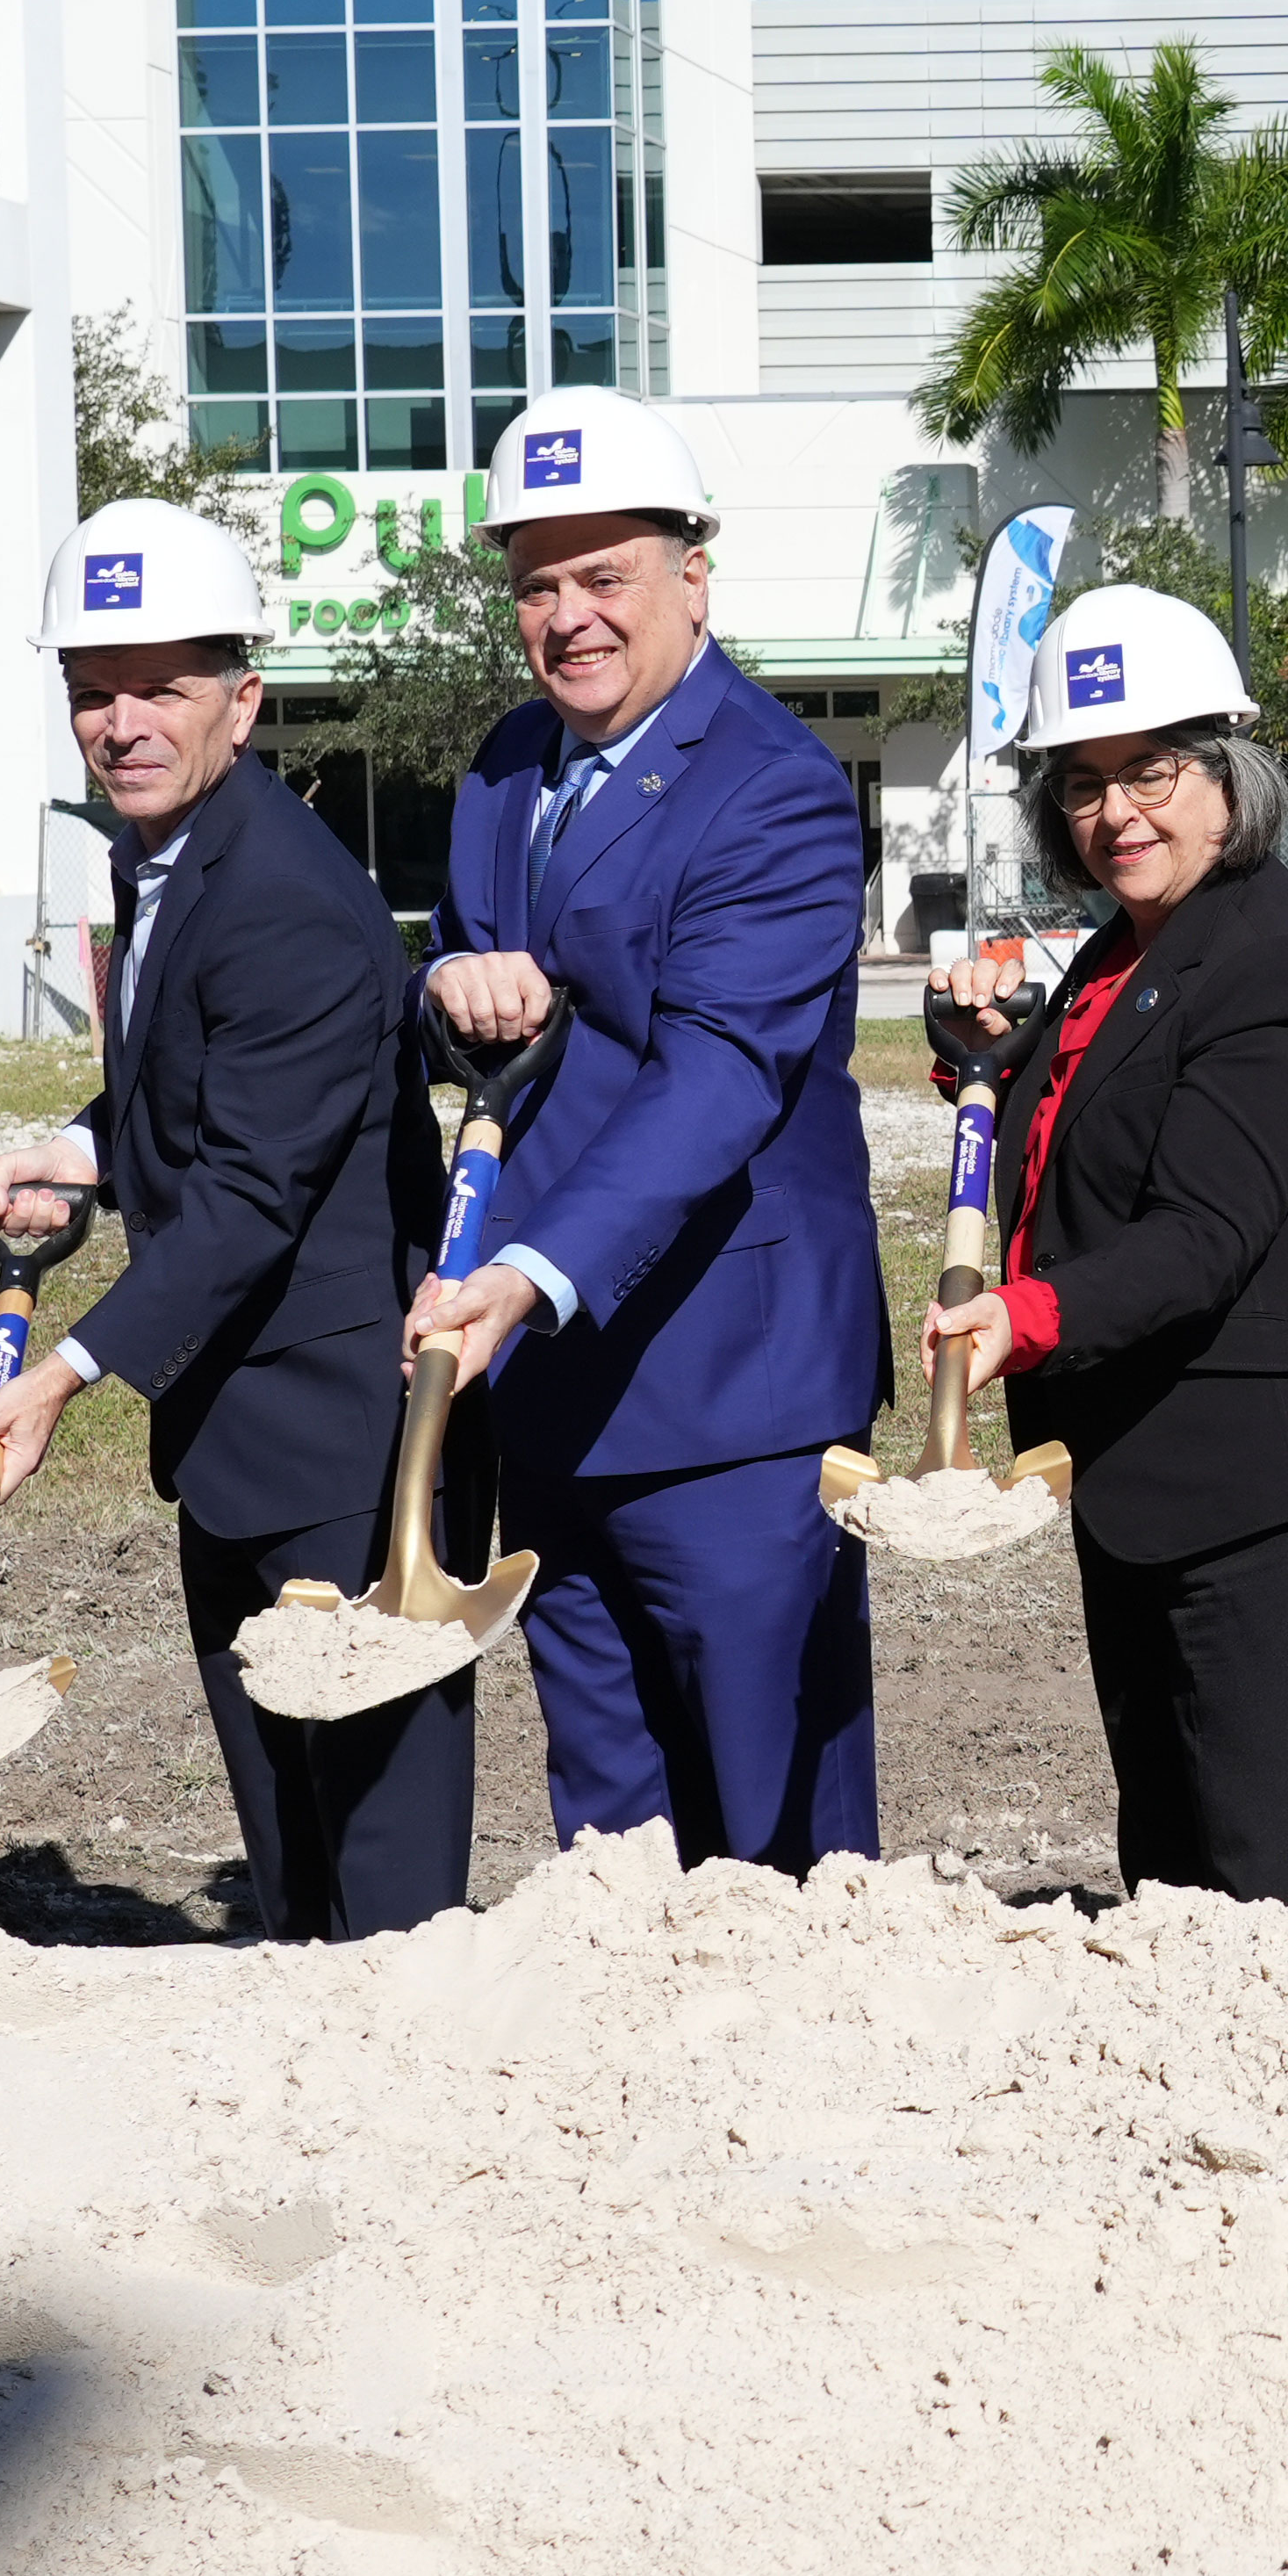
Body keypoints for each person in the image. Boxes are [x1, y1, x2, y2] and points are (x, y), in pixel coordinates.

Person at [0, 503, 466, 1941]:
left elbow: (251, 1195)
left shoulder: (285, 898)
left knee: (381, 1867)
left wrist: (63, 1373)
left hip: (337, 1444)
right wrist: (77, 1146)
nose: (121, 722)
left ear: (242, 702)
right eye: (92, 691)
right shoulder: (174, 858)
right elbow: (194, 1098)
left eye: (161, 687)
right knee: (290, 1851)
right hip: (245, 1432)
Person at [395, 388, 890, 1868]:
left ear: (694, 574)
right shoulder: (504, 767)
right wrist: (444, 979)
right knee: (609, 1828)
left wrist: (535, 1271)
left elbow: (722, 1071)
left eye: (604, 575)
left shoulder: (778, 790)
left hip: (729, 1394)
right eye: (536, 584)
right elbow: (484, 1003)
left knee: (773, 1829)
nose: (569, 619)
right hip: (549, 1379)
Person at [917, 588, 1288, 1903]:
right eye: (1085, 782)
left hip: (1281, 1480)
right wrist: (991, 1064)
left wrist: (1030, 1317)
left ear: (1230, 776)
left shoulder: (1273, 962)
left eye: (1153, 770)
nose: (1119, 812)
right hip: (1159, 1473)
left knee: (1260, 1879)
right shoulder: (1128, 950)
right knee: (1173, 1862)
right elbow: (1092, 1127)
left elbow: (1206, 1230)